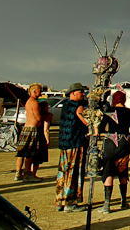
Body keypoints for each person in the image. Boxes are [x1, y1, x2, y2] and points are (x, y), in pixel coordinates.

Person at [97, 90, 130, 214]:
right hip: (124, 142)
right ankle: (123, 201)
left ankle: (107, 205)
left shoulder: (108, 112)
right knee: (122, 170)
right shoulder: (129, 112)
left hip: (110, 142)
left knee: (109, 170)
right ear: (124, 100)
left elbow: (100, 128)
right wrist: (128, 135)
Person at [55, 83, 88, 212]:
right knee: (73, 173)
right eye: (81, 92)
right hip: (75, 143)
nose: (83, 94)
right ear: (73, 93)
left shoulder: (66, 105)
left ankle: (60, 201)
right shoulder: (78, 106)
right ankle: (69, 202)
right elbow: (86, 121)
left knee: (63, 172)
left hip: (65, 143)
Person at [15, 83, 44, 182]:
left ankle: (18, 173)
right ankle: (27, 174)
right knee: (29, 153)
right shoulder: (34, 102)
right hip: (32, 129)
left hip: (26, 128)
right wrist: (47, 116)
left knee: (21, 152)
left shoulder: (29, 102)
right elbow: (38, 117)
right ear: (34, 91)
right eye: (39, 90)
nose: (41, 92)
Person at [32, 99, 53, 179]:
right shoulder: (47, 116)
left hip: (35, 135)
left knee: (33, 157)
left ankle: (30, 173)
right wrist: (48, 140)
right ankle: (34, 173)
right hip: (41, 137)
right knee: (38, 158)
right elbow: (46, 129)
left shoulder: (36, 115)